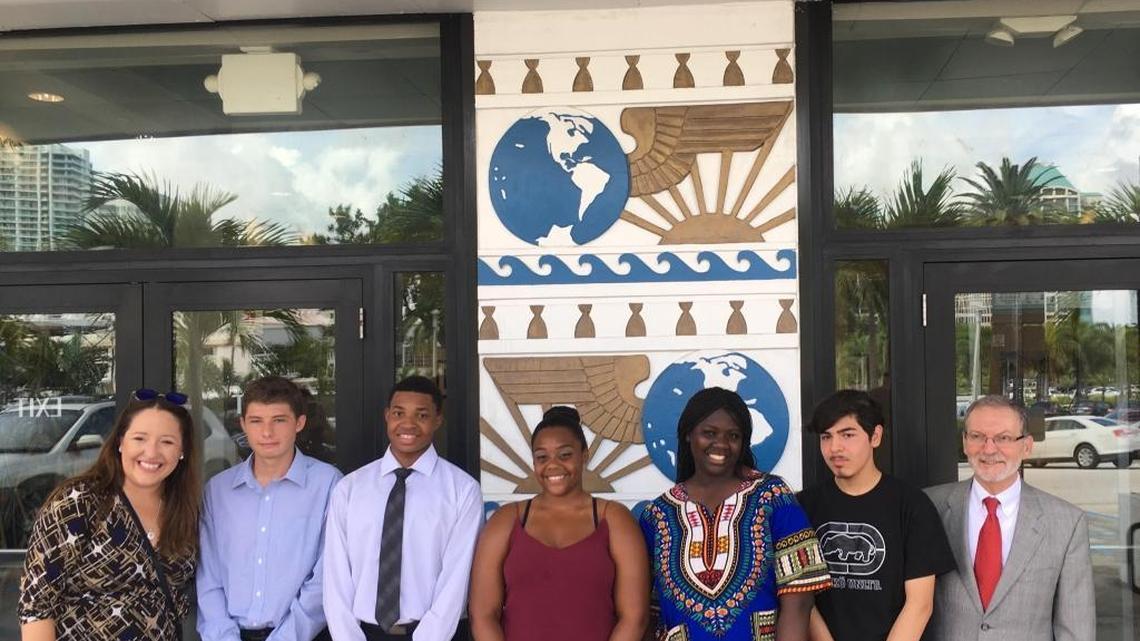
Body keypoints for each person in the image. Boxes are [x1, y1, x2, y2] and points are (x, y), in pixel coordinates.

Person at [639, 387, 831, 641]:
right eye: (709, 433)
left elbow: (800, 599)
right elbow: (647, 613)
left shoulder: (773, 496)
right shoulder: (657, 515)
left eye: (733, 436)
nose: (721, 444)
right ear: (688, 434)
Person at [19, 389, 201, 640]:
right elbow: (36, 606)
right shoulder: (79, 502)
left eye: (167, 442)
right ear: (120, 442)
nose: (151, 452)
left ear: (182, 451)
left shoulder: (185, 511)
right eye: (139, 438)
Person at [468, 406, 649, 641]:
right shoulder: (506, 521)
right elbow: (482, 614)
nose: (553, 465)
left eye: (565, 455)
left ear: (584, 455)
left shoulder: (614, 519)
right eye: (542, 457)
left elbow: (635, 617)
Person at [323, 376, 482, 641]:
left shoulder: (462, 491)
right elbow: (335, 575)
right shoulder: (349, 489)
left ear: (437, 420)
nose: (408, 424)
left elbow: (456, 580)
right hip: (361, 634)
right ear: (387, 416)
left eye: (421, 415)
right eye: (399, 413)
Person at [924, 395, 1094, 641]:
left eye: (1003, 438)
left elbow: (1076, 628)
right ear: (964, 442)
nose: (989, 448)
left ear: (1027, 445)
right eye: (977, 436)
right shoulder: (930, 506)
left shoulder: (1067, 522)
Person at [798, 390, 955, 641]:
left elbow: (920, 605)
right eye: (826, 437)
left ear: (875, 436)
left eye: (848, 435)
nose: (835, 448)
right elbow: (803, 597)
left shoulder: (912, 505)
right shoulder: (803, 506)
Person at [197, 376, 343, 641]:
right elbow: (209, 576)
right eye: (256, 421)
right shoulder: (218, 490)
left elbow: (326, 576)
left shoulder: (329, 484)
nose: (266, 433)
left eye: (278, 420)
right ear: (242, 424)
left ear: (299, 423)